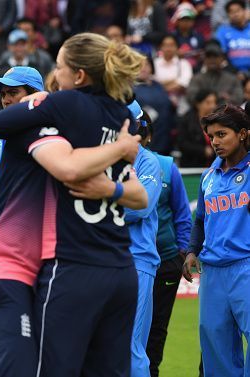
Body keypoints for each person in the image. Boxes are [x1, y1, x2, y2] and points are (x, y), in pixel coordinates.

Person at [0, 32, 148, 376]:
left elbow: (68, 167)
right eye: (4, 94)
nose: (8, 101)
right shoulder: (113, 118)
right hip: (16, 265)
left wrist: (107, 185)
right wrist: (119, 156)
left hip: (58, 265)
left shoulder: (55, 113)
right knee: (19, 367)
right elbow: (136, 194)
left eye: (15, 94)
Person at [183, 104, 250, 377]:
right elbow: (200, 220)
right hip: (212, 274)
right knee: (215, 349)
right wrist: (191, 251)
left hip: (246, 268)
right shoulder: (208, 176)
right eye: (212, 136)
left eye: (222, 134)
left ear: (243, 133)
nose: (216, 142)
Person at [145, 115, 192, 377]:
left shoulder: (166, 166)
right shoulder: (113, 163)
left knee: (158, 327)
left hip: (165, 260)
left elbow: (182, 215)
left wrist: (181, 251)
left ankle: (151, 372)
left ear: (149, 135)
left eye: (142, 130)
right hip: (128, 261)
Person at [124, 101, 162, 377]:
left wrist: (97, 206)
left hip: (137, 259)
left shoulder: (147, 160)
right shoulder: (99, 154)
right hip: (103, 258)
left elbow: (141, 206)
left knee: (130, 345)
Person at [187, 41, 244, 106]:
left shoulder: (232, 79)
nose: (212, 59)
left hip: (225, 114)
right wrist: (219, 96)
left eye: (215, 56)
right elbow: (191, 97)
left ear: (222, 59)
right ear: (204, 59)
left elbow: (239, 99)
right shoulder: (197, 78)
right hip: (201, 114)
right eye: (209, 56)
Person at [177, 90, 217, 168]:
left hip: (213, 166)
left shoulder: (217, 120)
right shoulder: (186, 120)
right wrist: (202, 150)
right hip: (192, 165)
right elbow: (182, 144)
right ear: (198, 104)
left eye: (214, 102)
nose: (212, 106)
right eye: (208, 103)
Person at [215, 0, 250, 75]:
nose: (235, 14)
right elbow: (221, 56)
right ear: (228, 15)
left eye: (238, 10)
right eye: (231, 12)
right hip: (231, 73)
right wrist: (235, 73)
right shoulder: (222, 31)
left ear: (245, 11)